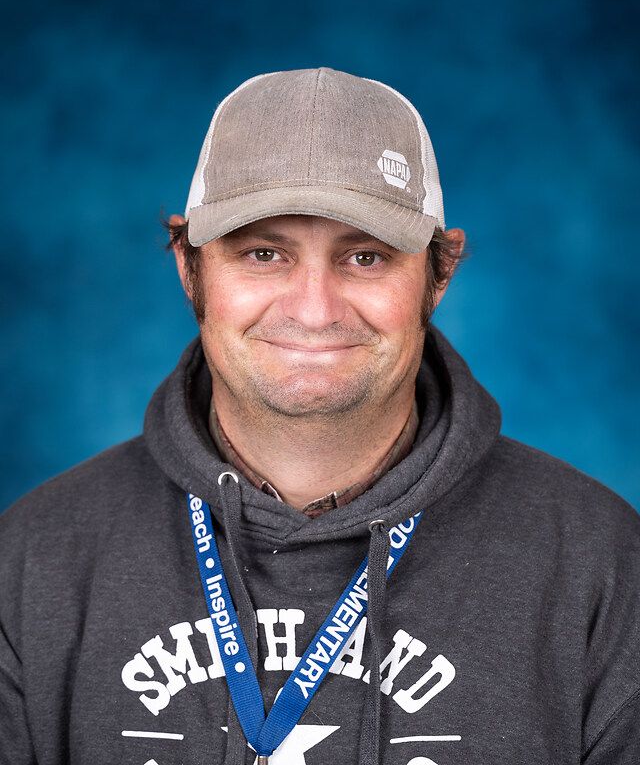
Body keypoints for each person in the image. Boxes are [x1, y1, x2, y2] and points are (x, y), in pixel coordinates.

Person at [1, 66, 638, 765]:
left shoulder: (603, 565)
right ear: (189, 266)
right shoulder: (32, 560)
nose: (313, 310)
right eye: (263, 253)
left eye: (365, 256)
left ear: (440, 272)